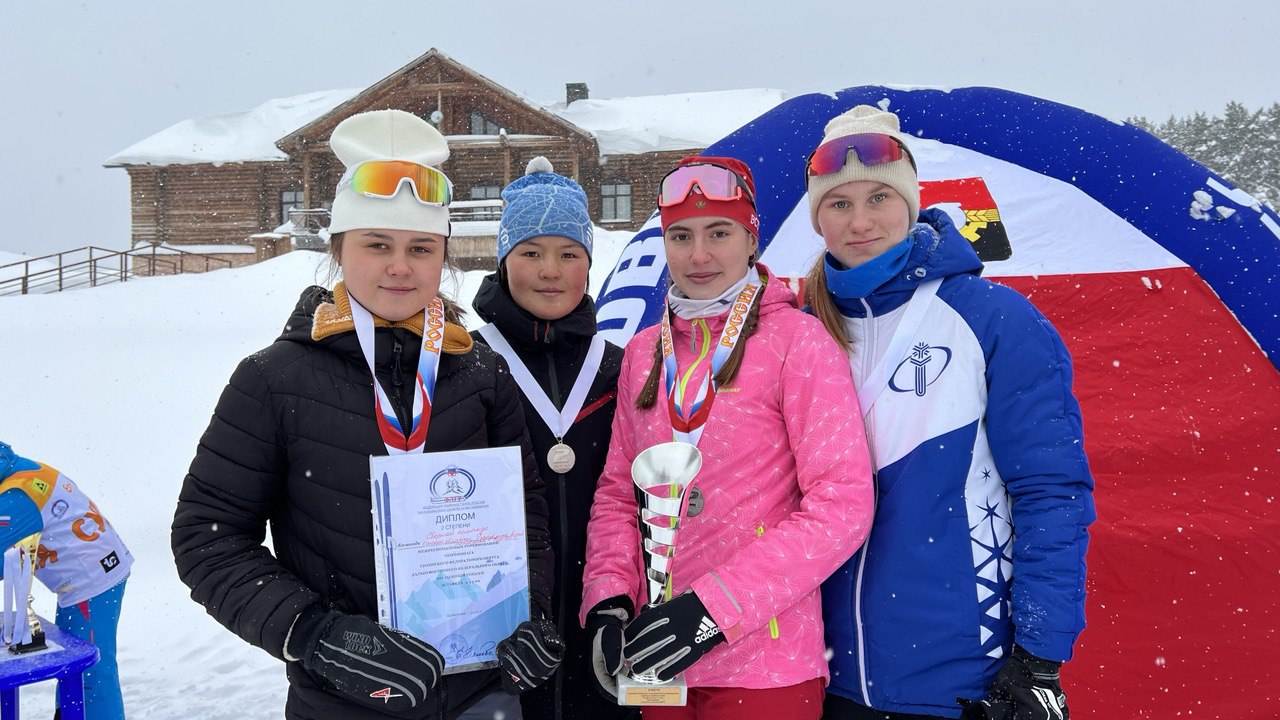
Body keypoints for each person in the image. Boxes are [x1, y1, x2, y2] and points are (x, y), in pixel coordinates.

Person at [171, 109, 562, 720]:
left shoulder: (481, 372)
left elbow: (526, 512)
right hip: (342, 703)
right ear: (339, 249)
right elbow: (208, 537)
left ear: (444, 257)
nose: (400, 266)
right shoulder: (275, 379)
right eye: (377, 244)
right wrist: (316, 635)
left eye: (421, 248)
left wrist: (530, 611)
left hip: (480, 697)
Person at [801, 105, 1096, 720]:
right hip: (817, 671)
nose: (860, 221)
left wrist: (1039, 655)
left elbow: (1050, 490)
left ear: (911, 202)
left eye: (879, 197)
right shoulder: (797, 330)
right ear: (818, 218)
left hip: (961, 677)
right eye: (839, 204)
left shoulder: (994, 318)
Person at [579, 156, 874, 720]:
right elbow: (619, 493)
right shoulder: (643, 353)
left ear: (751, 239)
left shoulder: (798, 342)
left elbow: (843, 505)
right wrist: (609, 599)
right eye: (681, 236)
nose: (699, 255)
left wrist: (712, 610)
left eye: (719, 233)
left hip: (765, 661)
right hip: (657, 654)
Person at [470, 157, 634, 720]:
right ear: (503, 260)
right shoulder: (466, 363)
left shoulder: (621, 367)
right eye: (530, 253)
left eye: (569, 254)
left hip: (605, 621)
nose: (550, 271)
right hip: (504, 636)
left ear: (589, 263)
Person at [0, 441, 131, 720]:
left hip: (91, 582)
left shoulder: (17, 495)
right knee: (77, 667)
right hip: (93, 572)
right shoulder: (16, 470)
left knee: (89, 671)